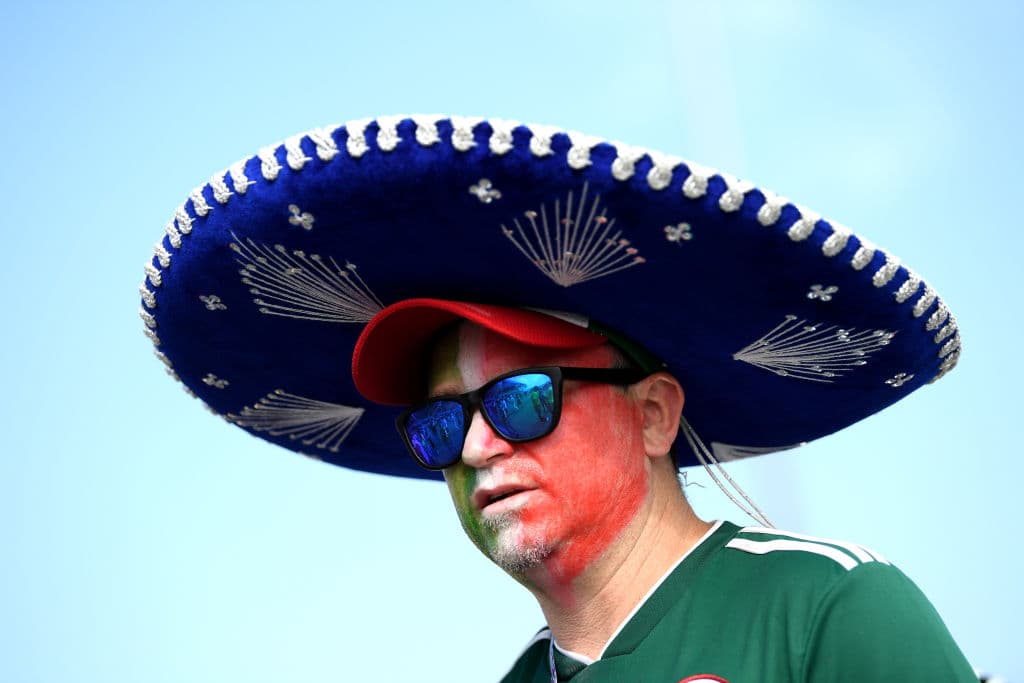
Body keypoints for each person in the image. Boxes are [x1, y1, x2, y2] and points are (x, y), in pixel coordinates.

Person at [140, 115, 978, 680]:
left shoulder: (830, 611)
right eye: (441, 422)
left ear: (653, 413)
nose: (474, 448)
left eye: (521, 397)